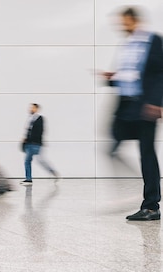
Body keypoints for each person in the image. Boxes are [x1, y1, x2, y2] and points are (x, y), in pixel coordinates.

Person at [102, 7, 163, 221]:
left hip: (145, 106)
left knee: (147, 153)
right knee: (112, 147)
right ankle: (132, 190)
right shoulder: (126, 45)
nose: (122, 26)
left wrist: (156, 102)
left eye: (125, 22)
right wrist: (112, 78)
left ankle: (151, 206)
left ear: (135, 20)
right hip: (125, 106)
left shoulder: (152, 41)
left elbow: (159, 73)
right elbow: (130, 74)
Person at [20, 103, 58, 185]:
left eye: (32, 108)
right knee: (28, 161)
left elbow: (40, 132)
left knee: (40, 160)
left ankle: (52, 172)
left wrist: (32, 140)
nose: (30, 109)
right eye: (30, 108)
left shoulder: (40, 119)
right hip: (29, 144)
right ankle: (29, 179)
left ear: (37, 109)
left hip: (35, 144)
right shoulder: (30, 119)